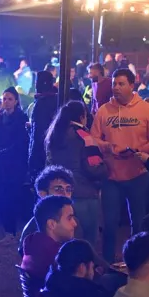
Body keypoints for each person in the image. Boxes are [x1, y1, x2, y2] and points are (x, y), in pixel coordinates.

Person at [91, 68, 149, 262]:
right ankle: (108, 263)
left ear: (131, 85)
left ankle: (138, 263)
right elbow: (93, 138)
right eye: (114, 84)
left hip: (138, 174)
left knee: (138, 223)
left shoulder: (146, 110)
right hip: (111, 176)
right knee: (110, 224)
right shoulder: (104, 111)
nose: (116, 88)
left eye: (121, 84)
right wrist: (107, 147)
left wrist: (137, 149)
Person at [45, 100, 107, 247]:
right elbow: (93, 167)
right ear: (81, 117)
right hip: (84, 194)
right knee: (87, 243)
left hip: (60, 195)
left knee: (65, 242)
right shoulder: (84, 136)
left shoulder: (53, 136)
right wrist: (106, 169)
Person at [0, 87, 30, 239]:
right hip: (1, 162)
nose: (6, 102)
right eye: (4, 99)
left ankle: (12, 230)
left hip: (15, 162)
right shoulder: (0, 117)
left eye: (9, 99)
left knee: (12, 196)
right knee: (1, 195)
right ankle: (6, 229)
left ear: (16, 101)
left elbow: (21, 141)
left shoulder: (21, 118)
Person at [18, 166, 74, 256]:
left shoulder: (73, 220)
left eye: (68, 189)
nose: (65, 194)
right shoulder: (32, 231)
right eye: (58, 189)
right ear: (42, 194)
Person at [20, 195, 77, 279]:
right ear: (52, 224)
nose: (75, 224)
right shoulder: (58, 257)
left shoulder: (32, 241)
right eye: (69, 218)